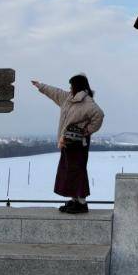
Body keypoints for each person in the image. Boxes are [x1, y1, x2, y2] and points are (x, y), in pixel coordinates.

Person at [31, 74, 104, 213]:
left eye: (71, 85)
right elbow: (54, 92)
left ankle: (82, 203)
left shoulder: (88, 103)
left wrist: (87, 130)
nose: (69, 88)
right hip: (67, 142)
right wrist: (40, 86)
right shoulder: (67, 98)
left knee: (77, 171)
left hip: (79, 143)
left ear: (77, 86)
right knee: (68, 171)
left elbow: (99, 116)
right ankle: (74, 200)